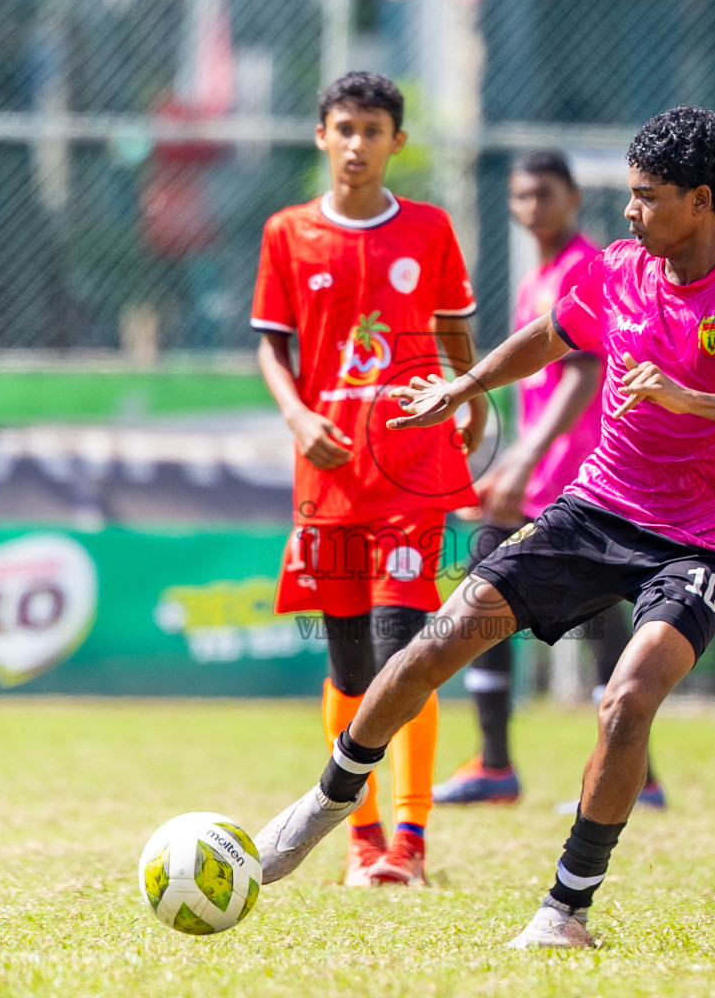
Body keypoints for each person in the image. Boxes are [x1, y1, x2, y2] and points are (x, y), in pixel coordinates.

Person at [253, 105, 715, 948]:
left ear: (701, 201)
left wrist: (689, 397)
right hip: (594, 512)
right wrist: (463, 386)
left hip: (701, 540)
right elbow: (553, 335)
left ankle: (566, 911)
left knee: (626, 701)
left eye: (647, 197)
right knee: (434, 643)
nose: (628, 213)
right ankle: (324, 805)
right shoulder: (619, 268)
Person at [250, 70, 486, 887]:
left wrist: (472, 395)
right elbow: (271, 348)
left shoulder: (428, 230)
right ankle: (361, 840)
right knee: (350, 671)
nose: (357, 144)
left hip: (413, 474)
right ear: (322, 136)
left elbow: (456, 332)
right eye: (344, 128)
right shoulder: (287, 233)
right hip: (330, 481)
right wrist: (298, 416)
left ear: (398, 141)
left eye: (372, 130)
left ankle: (410, 846)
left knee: (407, 655)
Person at [432, 150, 663, 810]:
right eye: (520, 195)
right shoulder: (543, 275)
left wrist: (525, 459)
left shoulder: (589, 267)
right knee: (591, 610)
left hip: (579, 467)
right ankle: (613, 773)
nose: (530, 206)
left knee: (491, 583)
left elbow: (584, 374)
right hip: (552, 464)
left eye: (544, 194)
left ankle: (507, 766)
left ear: (572, 199)